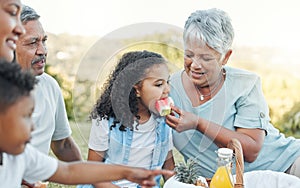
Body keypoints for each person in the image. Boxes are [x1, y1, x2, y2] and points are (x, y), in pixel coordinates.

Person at [166, 8, 300, 178]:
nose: (195, 65)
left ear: (226, 57)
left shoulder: (245, 83)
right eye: (189, 55)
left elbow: (251, 151)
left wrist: (198, 123)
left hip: (286, 165)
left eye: (206, 58)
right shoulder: (168, 88)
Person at [0, 60, 174, 188]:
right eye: (25, 116)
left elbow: (69, 172)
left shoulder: (22, 156)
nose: (33, 126)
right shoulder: (108, 121)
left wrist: (128, 173)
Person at [79, 50, 175, 188]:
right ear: (136, 89)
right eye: (159, 84)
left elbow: (169, 168)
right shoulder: (106, 119)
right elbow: (93, 173)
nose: (167, 90)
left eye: (168, 82)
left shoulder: (164, 120)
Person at [14, 5, 82, 162]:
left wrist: (87, 183)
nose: (42, 50)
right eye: (32, 43)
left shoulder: (49, 85)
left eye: (43, 41)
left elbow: (63, 145)